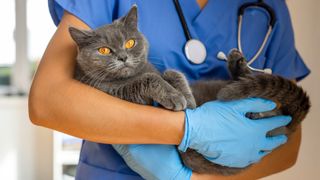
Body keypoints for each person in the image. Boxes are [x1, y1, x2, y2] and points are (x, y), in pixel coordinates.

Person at [29, 0, 310, 179]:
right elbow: (47, 100)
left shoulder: (270, 6)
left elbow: (289, 141)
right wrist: (185, 127)